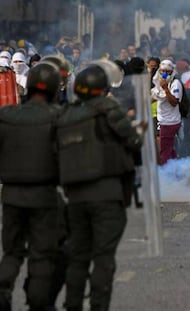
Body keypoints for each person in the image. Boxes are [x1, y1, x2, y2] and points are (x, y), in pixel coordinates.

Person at [56, 60, 146, 311]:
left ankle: (72, 305)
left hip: (74, 196)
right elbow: (133, 141)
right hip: (108, 194)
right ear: (102, 88)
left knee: (78, 257)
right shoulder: (109, 108)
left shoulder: (67, 114)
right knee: (104, 259)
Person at [0, 62, 62, 311]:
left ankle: (3, 292)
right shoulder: (58, 117)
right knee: (41, 253)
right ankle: (38, 302)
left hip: (12, 194)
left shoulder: (6, 116)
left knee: (12, 252)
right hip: (44, 196)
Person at [151, 59, 183, 165]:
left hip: (170, 121)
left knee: (164, 150)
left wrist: (166, 89)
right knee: (169, 148)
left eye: (168, 72)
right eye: (162, 71)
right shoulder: (159, 83)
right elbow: (155, 97)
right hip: (163, 120)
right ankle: (178, 170)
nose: (164, 74)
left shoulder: (175, 83)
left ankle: (165, 174)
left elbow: (174, 102)